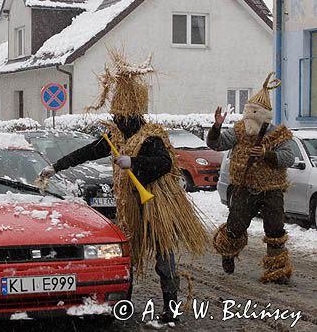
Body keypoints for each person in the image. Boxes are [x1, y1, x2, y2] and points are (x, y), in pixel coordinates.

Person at [38, 51, 208, 324]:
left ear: (133, 115)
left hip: (157, 205)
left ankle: (171, 307)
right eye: (116, 115)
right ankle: (123, 301)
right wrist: (57, 166)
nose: (118, 119)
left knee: (164, 257)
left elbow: (164, 163)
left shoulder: (151, 136)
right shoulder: (115, 136)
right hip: (131, 205)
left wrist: (134, 162)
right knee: (127, 256)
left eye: (122, 115)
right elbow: (87, 152)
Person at [207, 72, 294, 284]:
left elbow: (289, 158)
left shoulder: (278, 135)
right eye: (248, 117)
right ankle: (228, 253)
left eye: (254, 117)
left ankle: (277, 270)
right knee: (235, 227)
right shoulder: (239, 131)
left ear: (263, 117)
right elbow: (216, 144)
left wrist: (266, 154)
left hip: (271, 188)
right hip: (244, 187)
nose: (249, 122)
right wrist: (216, 128)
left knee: (275, 228)